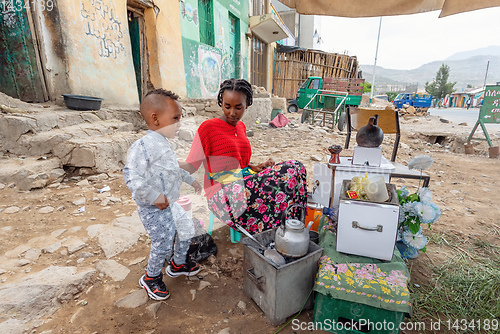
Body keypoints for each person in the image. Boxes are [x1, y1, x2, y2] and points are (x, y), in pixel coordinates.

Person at [180, 78, 307, 234]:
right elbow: (191, 166)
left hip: (243, 182)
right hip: (222, 194)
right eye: (227, 106)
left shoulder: (241, 126)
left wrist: (256, 167)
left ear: (247, 105)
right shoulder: (207, 128)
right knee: (287, 173)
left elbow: (239, 164)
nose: (232, 113)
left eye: (238, 107)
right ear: (221, 103)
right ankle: (282, 229)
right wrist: (169, 163)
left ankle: (292, 226)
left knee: (296, 167)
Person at [123, 89, 203, 301]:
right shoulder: (142, 147)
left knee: (186, 229)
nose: (179, 124)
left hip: (171, 204)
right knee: (163, 243)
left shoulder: (164, 145)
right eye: (175, 118)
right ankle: (151, 278)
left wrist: (191, 180)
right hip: (154, 209)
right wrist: (154, 196)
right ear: (155, 118)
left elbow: (174, 169)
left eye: (180, 118)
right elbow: (132, 178)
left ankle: (178, 264)